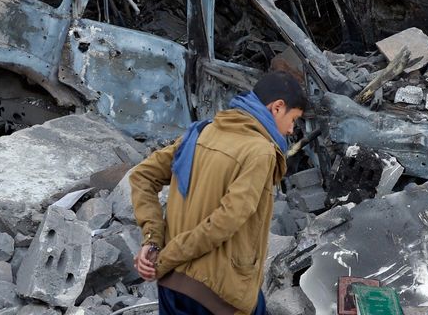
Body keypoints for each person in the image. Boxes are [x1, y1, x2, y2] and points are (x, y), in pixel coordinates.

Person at [129, 71, 307, 315]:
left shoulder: (203, 132)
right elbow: (227, 220)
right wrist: (164, 256)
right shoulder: (260, 151)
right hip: (219, 296)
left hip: (172, 287)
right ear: (277, 108)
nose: (290, 130)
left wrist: (152, 239)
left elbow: (142, 175)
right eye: (294, 119)